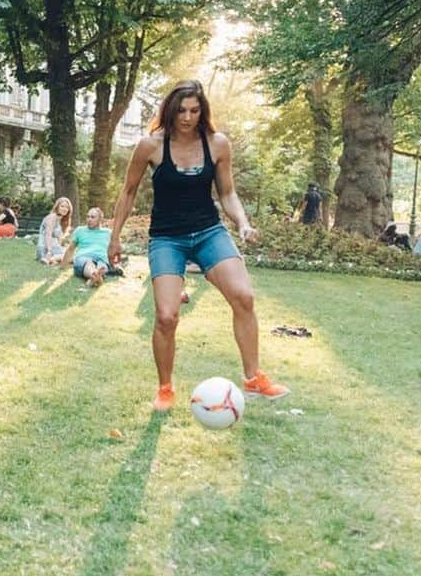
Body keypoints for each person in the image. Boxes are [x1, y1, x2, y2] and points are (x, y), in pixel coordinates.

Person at [108, 79, 289, 411]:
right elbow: (128, 192)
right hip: (167, 238)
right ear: (171, 110)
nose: (187, 117)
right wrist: (115, 236)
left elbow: (228, 193)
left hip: (208, 232)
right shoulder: (151, 146)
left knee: (244, 296)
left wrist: (243, 223)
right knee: (166, 316)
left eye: (194, 110)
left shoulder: (217, 144)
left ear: (202, 111)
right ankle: (165, 388)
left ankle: (253, 378)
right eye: (181, 110)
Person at [60, 206, 111, 286]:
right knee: (88, 263)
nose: (89, 219)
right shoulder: (80, 230)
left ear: (100, 219)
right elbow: (70, 249)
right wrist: (62, 266)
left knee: (102, 266)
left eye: (92, 217)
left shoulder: (108, 233)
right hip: (83, 258)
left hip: (101, 259)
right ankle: (94, 274)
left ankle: (94, 277)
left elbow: (113, 251)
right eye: (87, 217)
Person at [37, 197, 73, 263]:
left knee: (72, 255)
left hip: (54, 248)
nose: (64, 209)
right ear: (57, 207)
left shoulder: (61, 221)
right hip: (45, 248)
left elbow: (59, 240)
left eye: (67, 207)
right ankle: (49, 258)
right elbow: (48, 235)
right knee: (72, 256)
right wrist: (49, 251)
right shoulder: (52, 217)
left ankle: (52, 259)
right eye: (62, 206)